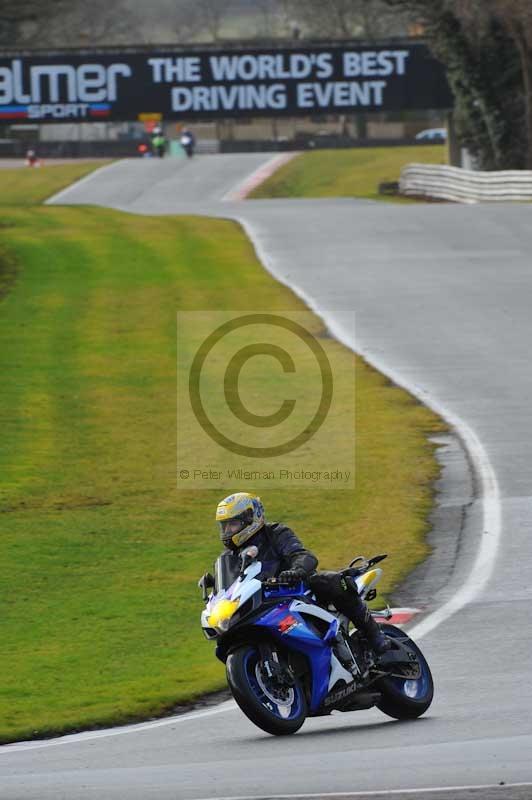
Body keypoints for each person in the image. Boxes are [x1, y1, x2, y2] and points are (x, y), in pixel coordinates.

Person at [214, 492, 391, 655]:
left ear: (250, 519)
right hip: (264, 604)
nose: (227, 531)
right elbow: (233, 588)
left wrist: (295, 571)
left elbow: (301, 555)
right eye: (225, 526)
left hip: (295, 590)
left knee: (330, 582)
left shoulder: (275, 533)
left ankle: (375, 635)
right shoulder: (229, 558)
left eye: (233, 524)